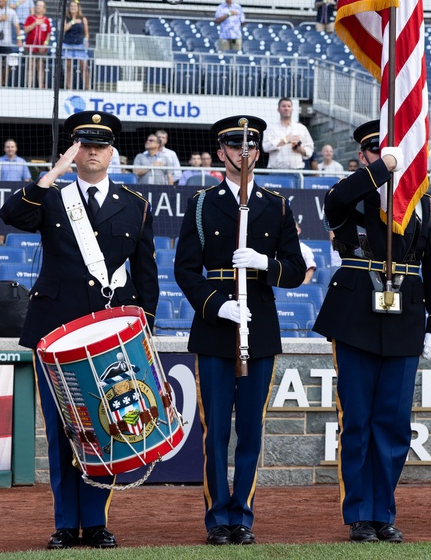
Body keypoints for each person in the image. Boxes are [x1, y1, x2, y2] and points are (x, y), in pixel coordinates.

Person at [0, 111, 158, 550]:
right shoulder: (52, 196)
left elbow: (147, 276)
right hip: (54, 330)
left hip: (106, 334)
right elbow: (10, 213)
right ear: (73, 150)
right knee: (60, 430)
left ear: (112, 153)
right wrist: (54, 171)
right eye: (83, 144)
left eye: (99, 145)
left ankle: (96, 521)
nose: (91, 151)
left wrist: (145, 329)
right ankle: (66, 524)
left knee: (104, 427)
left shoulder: (135, 204)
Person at [174, 115, 307, 546]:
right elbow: (185, 270)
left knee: (251, 427)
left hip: (259, 326)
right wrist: (218, 305)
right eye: (235, 146)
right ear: (221, 152)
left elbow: (296, 270)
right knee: (216, 430)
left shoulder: (276, 203)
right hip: (216, 328)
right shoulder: (200, 203)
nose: (243, 153)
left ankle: (243, 516)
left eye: (251, 146)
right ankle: (217, 518)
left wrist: (266, 264)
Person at [314, 121, 431, 543]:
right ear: (365, 156)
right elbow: (333, 200)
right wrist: (381, 170)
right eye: (374, 152)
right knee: (357, 419)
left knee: (392, 423)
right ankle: (358, 514)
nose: (382, 158)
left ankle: (382, 510)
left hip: (405, 314)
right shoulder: (353, 197)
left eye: (388, 152)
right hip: (356, 315)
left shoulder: (422, 203)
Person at [262, 97, 314, 170]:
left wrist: (300, 149)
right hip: (275, 172)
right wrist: (285, 140)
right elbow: (265, 147)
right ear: (278, 109)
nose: (286, 108)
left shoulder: (301, 128)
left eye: (289, 106)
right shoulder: (270, 128)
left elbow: (310, 148)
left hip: (296, 172)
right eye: (283, 106)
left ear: (292, 109)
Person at [61, 0, 90, 89]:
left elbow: (86, 32)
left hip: (79, 45)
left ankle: (87, 88)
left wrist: (86, 40)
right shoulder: (66, 18)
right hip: (68, 44)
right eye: (71, 6)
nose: (73, 8)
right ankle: (68, 87)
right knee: (68, 67)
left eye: (74, 6)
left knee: (84, 67)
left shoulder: (83, 19)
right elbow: (64, 29)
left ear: (78, 8)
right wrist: (73, 22)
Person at [23, 0, 52, 88]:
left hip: (41, 48)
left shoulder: (46, 20)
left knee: (40, 67)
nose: (38, 7)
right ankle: (29, 86)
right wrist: (35, 24)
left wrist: (46, 43)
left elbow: (48, 33)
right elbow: (25, 30)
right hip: (30, 47)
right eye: (37, 5)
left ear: (44, 9)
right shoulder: (30, 18)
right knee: (30, 66)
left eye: (40, 6)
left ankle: (40, 86)